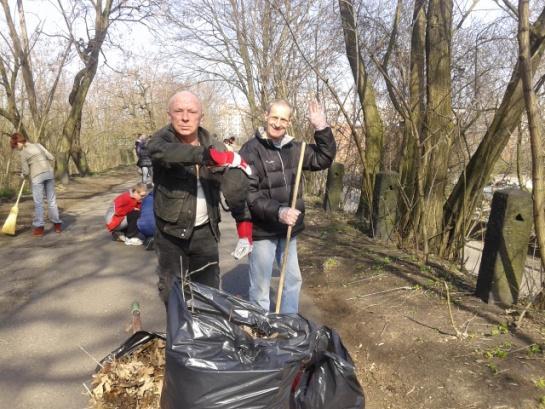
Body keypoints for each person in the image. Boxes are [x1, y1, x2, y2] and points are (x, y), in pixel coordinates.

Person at [147, 90, 252, 304]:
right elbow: (162, 152)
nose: (185, 117)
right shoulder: (161, 140)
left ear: (200, 116)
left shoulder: (214, 144)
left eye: (192, 111)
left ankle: (204, 336)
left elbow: (233, 187)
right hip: (170, 234)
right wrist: (208, 156)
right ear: (170, 115)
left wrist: (244, 225)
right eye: (179, 111)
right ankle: (180, 336)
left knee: (208, 295)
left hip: (206, 232)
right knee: (173, 293)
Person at [239, 99, 336, 313]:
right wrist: (279, 211)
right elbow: (249, 194)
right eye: (274, 117)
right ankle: (261, 327)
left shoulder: (296, 149)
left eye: (283, 119)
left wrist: (321, 128)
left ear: (289, 122)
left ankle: (288, 323)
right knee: (261, 286)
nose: (278, 123)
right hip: (263, 229)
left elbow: (324, 158)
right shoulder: (250, 150)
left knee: (292, 280)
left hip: (289, 230)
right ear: (266, 116)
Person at [10, 132, 62, 237]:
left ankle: (40, 228)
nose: (16, 148)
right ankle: (57, 226)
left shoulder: (23, 153)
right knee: (52, 200)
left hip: (37, 177)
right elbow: (51, 157)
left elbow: (25, 171)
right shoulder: (38, 145)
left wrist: (22, 175)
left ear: (18, 142)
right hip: (49, 174)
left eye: (15, 146)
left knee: (39, 203)